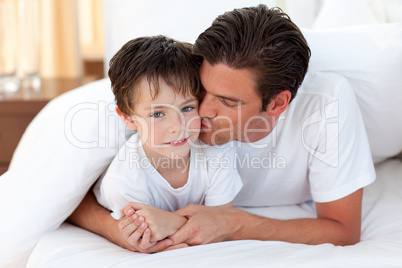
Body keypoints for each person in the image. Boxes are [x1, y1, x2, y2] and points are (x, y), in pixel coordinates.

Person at [68, 4, 375, 252]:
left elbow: (343, 230)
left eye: (227, 101)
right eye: (202, 90)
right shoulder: (162, 96)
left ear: (278, 104)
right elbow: (67, 195)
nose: (201, 111)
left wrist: (232, 223)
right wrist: (119, 230)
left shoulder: (325, 105)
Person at [91, 35, 242, 250]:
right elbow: (149, 241)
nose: (177, 126)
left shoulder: (217, 150)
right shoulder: (124, 181)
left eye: (187, 108)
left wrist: (171, 222)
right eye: (158, 114)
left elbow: (222, 225)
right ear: (128, 118)